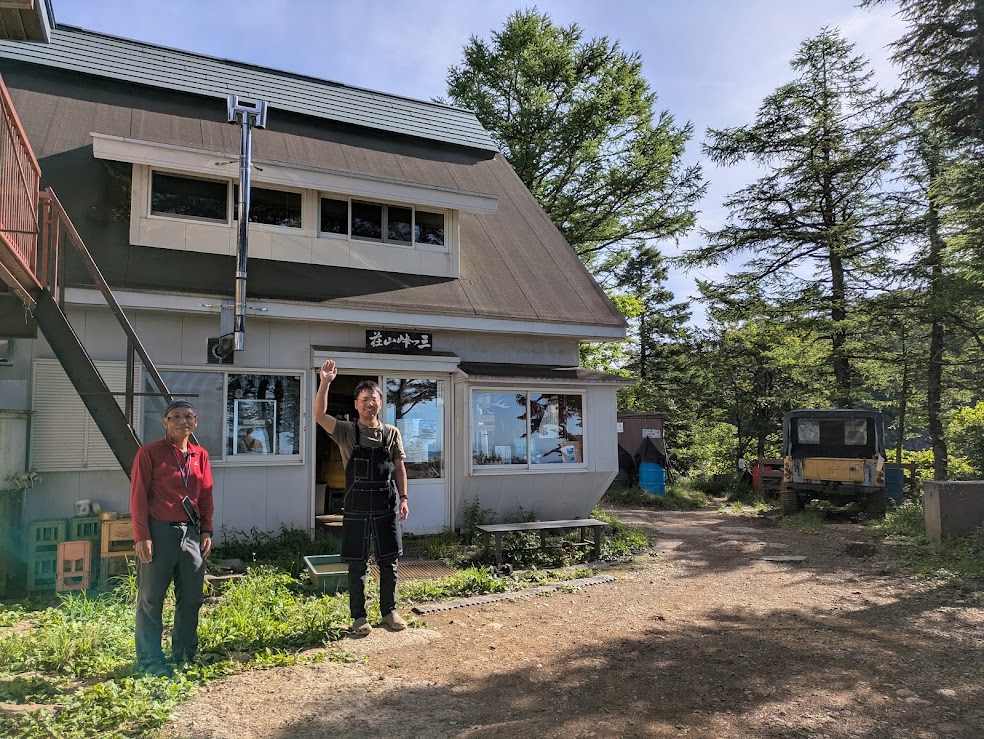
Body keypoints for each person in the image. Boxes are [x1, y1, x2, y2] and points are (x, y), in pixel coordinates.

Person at [313, 359, 409, 634]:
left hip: (386, 504)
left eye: (374, 399)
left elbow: (400, 467)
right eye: (364, 399)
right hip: (356, 505)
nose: (370, 403)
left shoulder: (391, 434)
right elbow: (320, 415)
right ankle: (359, 617)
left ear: (380, 403)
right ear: (356, 404)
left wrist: (404, 497)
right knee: (357, 563)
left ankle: (389, 612)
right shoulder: (346, 431)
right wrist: (325, 382)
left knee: (389, 560)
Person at [129, 399, 213, 676]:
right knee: (151, 599)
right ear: (165, 422)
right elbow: (138, 496)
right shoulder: (149, 453)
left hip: (190, 533)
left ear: (195, 422)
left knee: (191, 598)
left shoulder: (200, 455)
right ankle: (150, 659)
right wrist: (142, 535)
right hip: (158, 532)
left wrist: (206, 530)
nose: (182, 421)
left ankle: (185, 653)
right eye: (175, 416)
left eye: (188, 416)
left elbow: (206, 495)